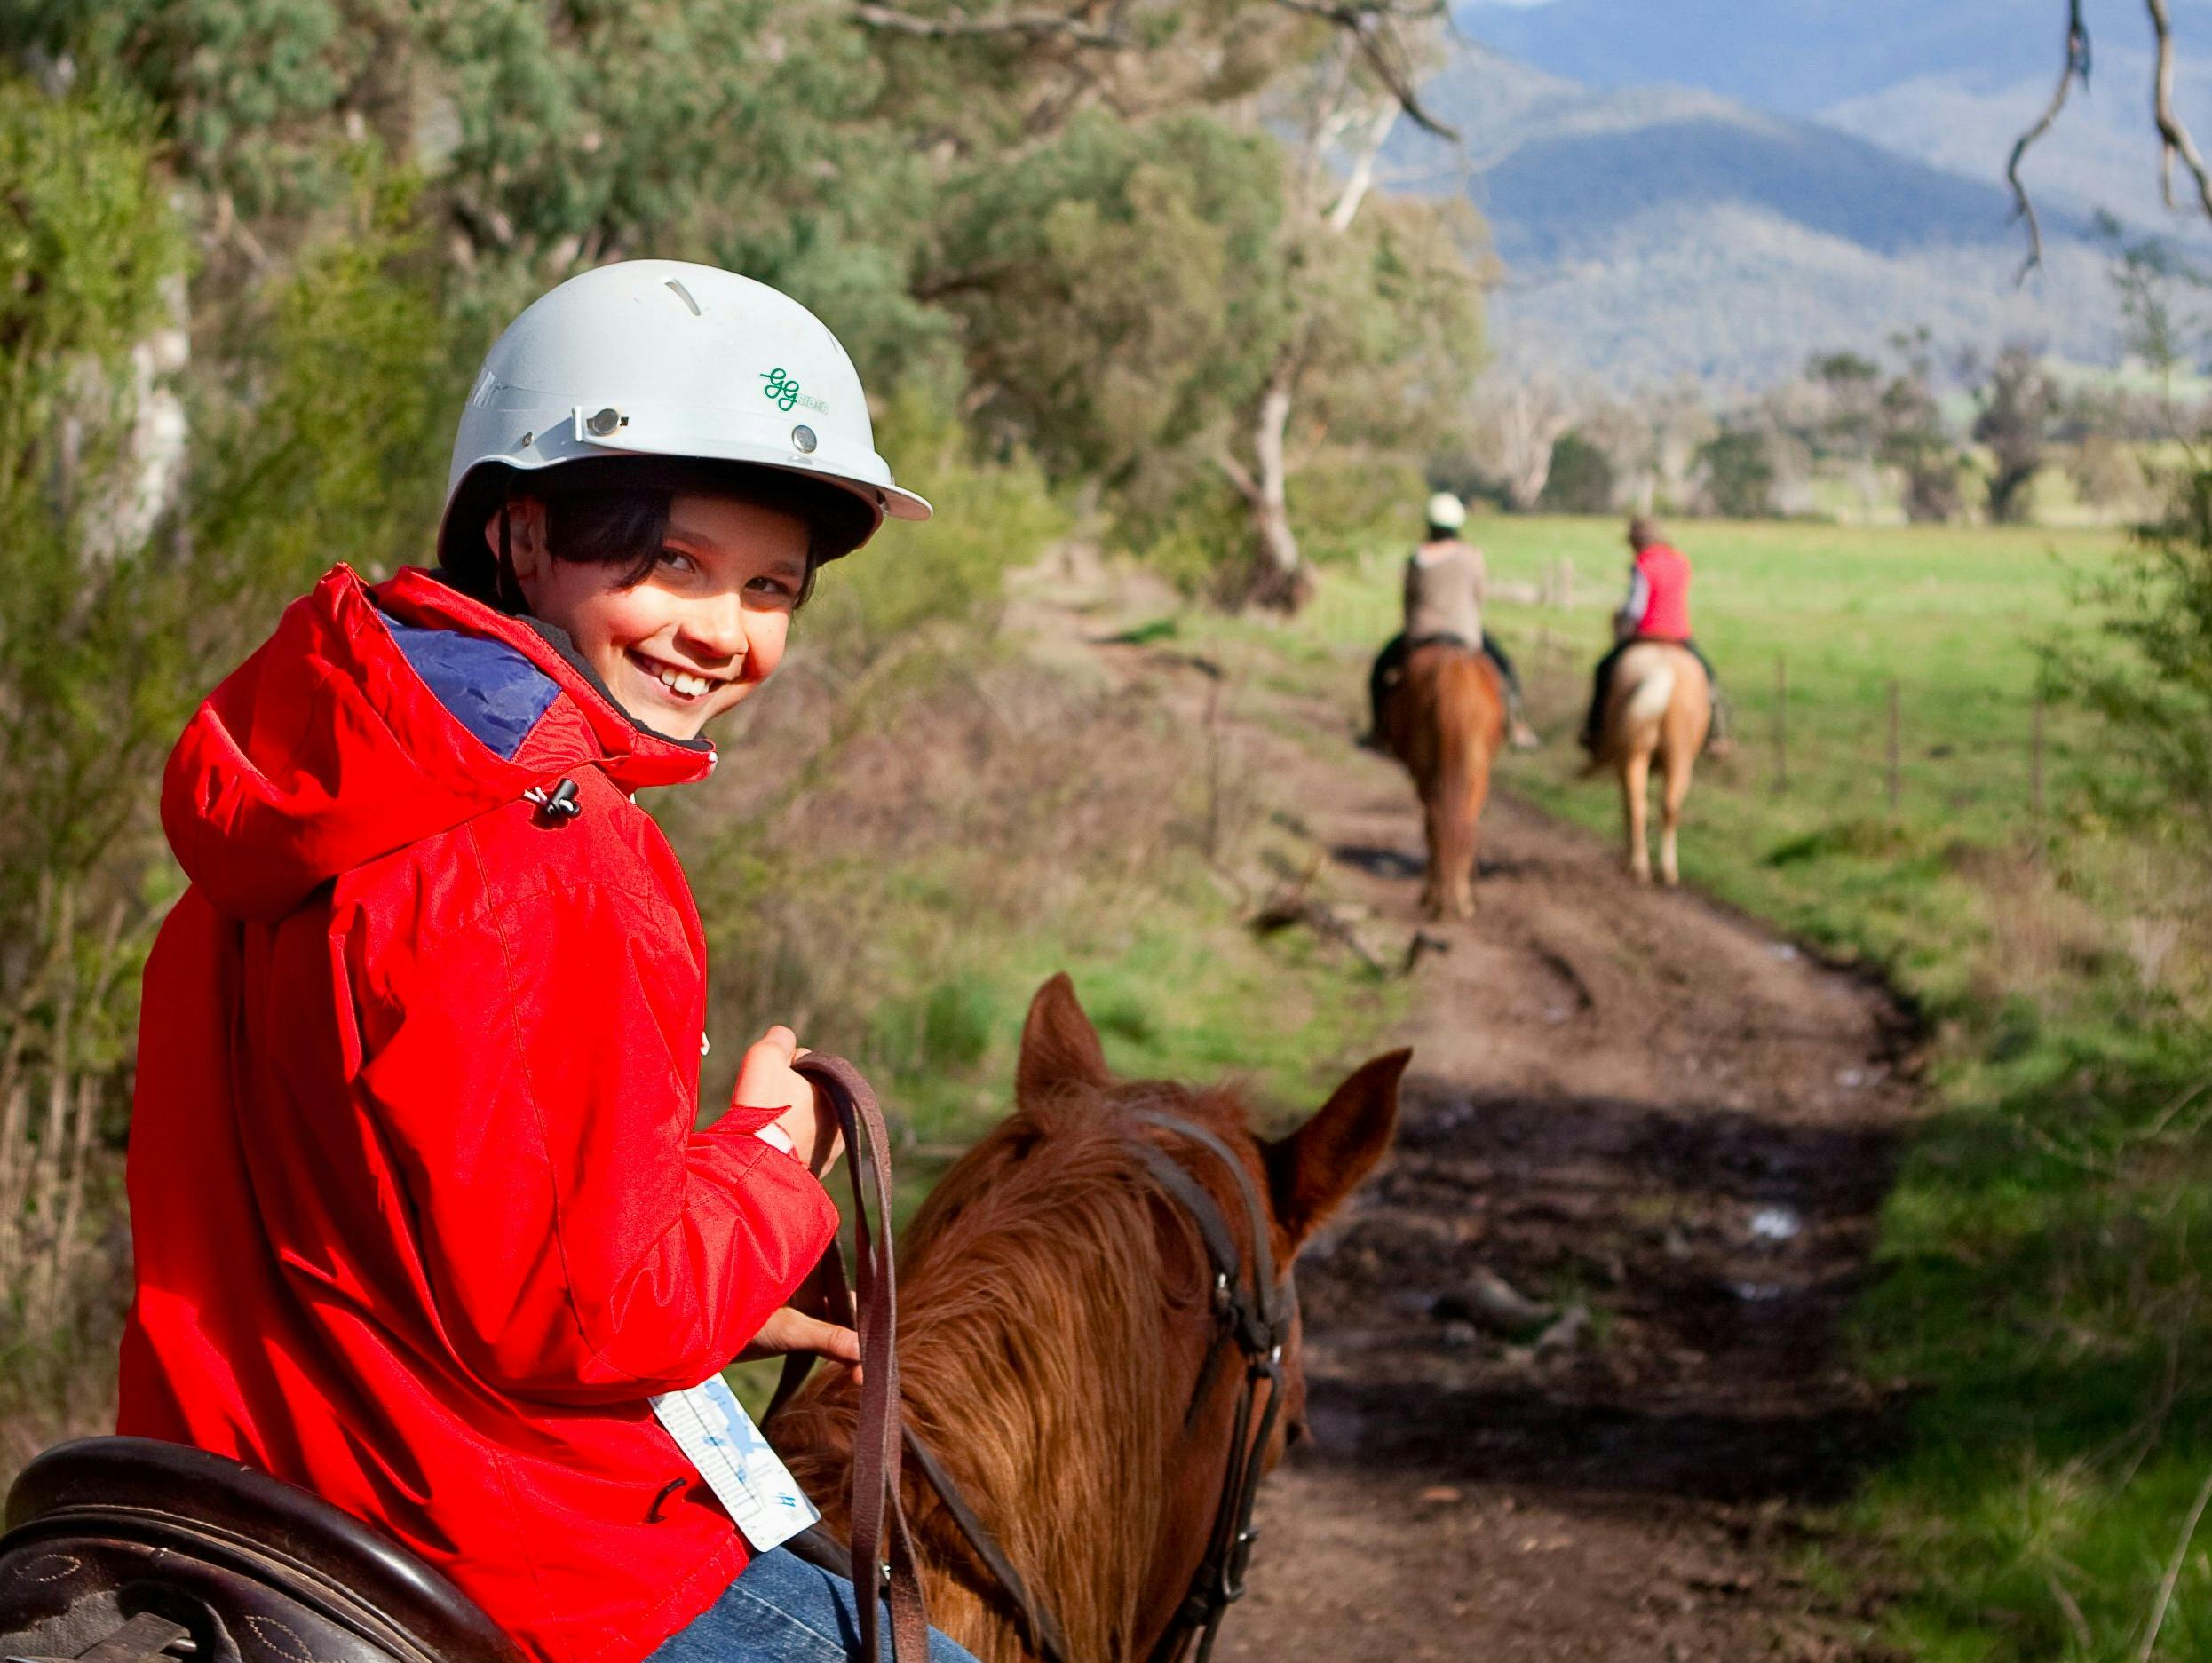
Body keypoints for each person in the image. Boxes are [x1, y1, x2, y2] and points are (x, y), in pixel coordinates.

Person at [117, 262, 979, 1663]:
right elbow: (581, 1313)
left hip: (221, 1482)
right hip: (487, 1543)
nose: (724, 633)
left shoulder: (311, 785)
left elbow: (430, 1233)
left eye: (771, 588)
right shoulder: (551, 847)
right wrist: (773, 1155)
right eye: (672, 563)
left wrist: (702, 1265)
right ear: (522, 537)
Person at [1367, 492, 1541, 750]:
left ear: (1430, 524)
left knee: (1380, 670)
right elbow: (1479, 595)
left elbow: (1409, 601)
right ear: (1457, 525)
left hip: (1421, 635)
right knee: (1505, 669)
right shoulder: (1471, 556)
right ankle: (1515, 724)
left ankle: (1378, 730)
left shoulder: (1417, 558)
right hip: (1464, 634)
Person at [1577, 514, 1732, 756]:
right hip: (1678, 636)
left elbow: (1635, 608)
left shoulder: (1642, 564)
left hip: (1646, 634)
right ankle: (1718, 735)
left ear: (1635, 543)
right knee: (1709, 678)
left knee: (1603, 670)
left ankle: (1593, 731)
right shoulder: (1681, 562)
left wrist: (1621, 621)